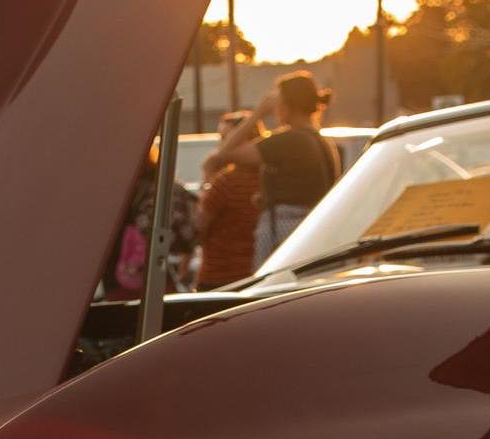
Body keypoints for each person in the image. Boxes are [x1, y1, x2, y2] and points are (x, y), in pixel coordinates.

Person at [203, 71, 341, 264]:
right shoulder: (321, 141)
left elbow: (224, 154)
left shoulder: (289, 140)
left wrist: (256, 115)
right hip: (312, 232)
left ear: (288, 105)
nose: (275, 109)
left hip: (282, 233)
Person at [102, 144, 197, 302]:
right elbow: (188, 237)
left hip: (117, 277)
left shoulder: (111, 187)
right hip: (159, 276)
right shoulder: (164, 185)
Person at [196, 111, 264, 289]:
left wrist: (207, 179)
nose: (222, 146)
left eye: (226, 139)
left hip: (218, 276)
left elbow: (199, 228)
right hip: (257, 275)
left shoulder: (226, 182)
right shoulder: (269, 180)